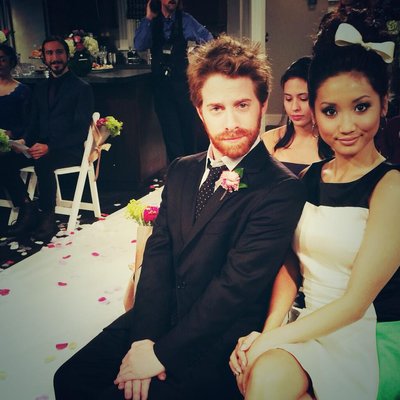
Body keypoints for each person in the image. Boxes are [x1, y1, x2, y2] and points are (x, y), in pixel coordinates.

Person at [53, 34, 306, 400]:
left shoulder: (281, 188)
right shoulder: (181, 169)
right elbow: (158, 255)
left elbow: (234, 289)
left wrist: (160, 354)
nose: (231, 121)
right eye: (216, 108)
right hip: (157, 319)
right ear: (199, 111)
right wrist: (144, 339)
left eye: (242, 105)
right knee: (70, 378)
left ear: (263, 104)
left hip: (213, 341)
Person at [229, 11, 400, 400]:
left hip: (369, 335)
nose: (345, 126)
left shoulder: (390, 187)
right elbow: (291, 263)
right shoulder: (309, 177)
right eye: (330, 111)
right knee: (263, 378)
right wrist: (269, 332)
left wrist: (268, 341)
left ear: (384, 104)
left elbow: (355, 304)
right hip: (308, 324)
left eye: (361, 107)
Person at [0, 36, 94, 241]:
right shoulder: (40, 88)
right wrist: (23, 141)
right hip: (40, 147)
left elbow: (80, 132)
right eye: (49, 53)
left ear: (67, 55)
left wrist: (50, 147)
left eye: (59, 52)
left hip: (68, 150)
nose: (55, 57)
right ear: (43, 57)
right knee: (4, 159)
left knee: (43, 160)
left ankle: (47, 217)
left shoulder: (82, 88)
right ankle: (27, 208)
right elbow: (33, 124)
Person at [134, 0, 213, 163]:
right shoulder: (152, 22)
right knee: (171, 136)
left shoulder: (186, 20)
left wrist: (198, 60)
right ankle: (177, 173)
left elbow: (209, 40)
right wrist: (148, 17)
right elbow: (139, 45)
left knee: (188, 133)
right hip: (161, 88)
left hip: (183, 86)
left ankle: (192, 171)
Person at [262, 56, 332, 176]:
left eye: (303, 98)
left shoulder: (334, 141)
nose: (294, 107)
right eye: (288, 99)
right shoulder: (269, 139)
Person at [0, 43, 31, 139]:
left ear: (11, 62)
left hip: (12, 143)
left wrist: (11, 134)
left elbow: (29, 123)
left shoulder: (23, 91)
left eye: (2, 60)